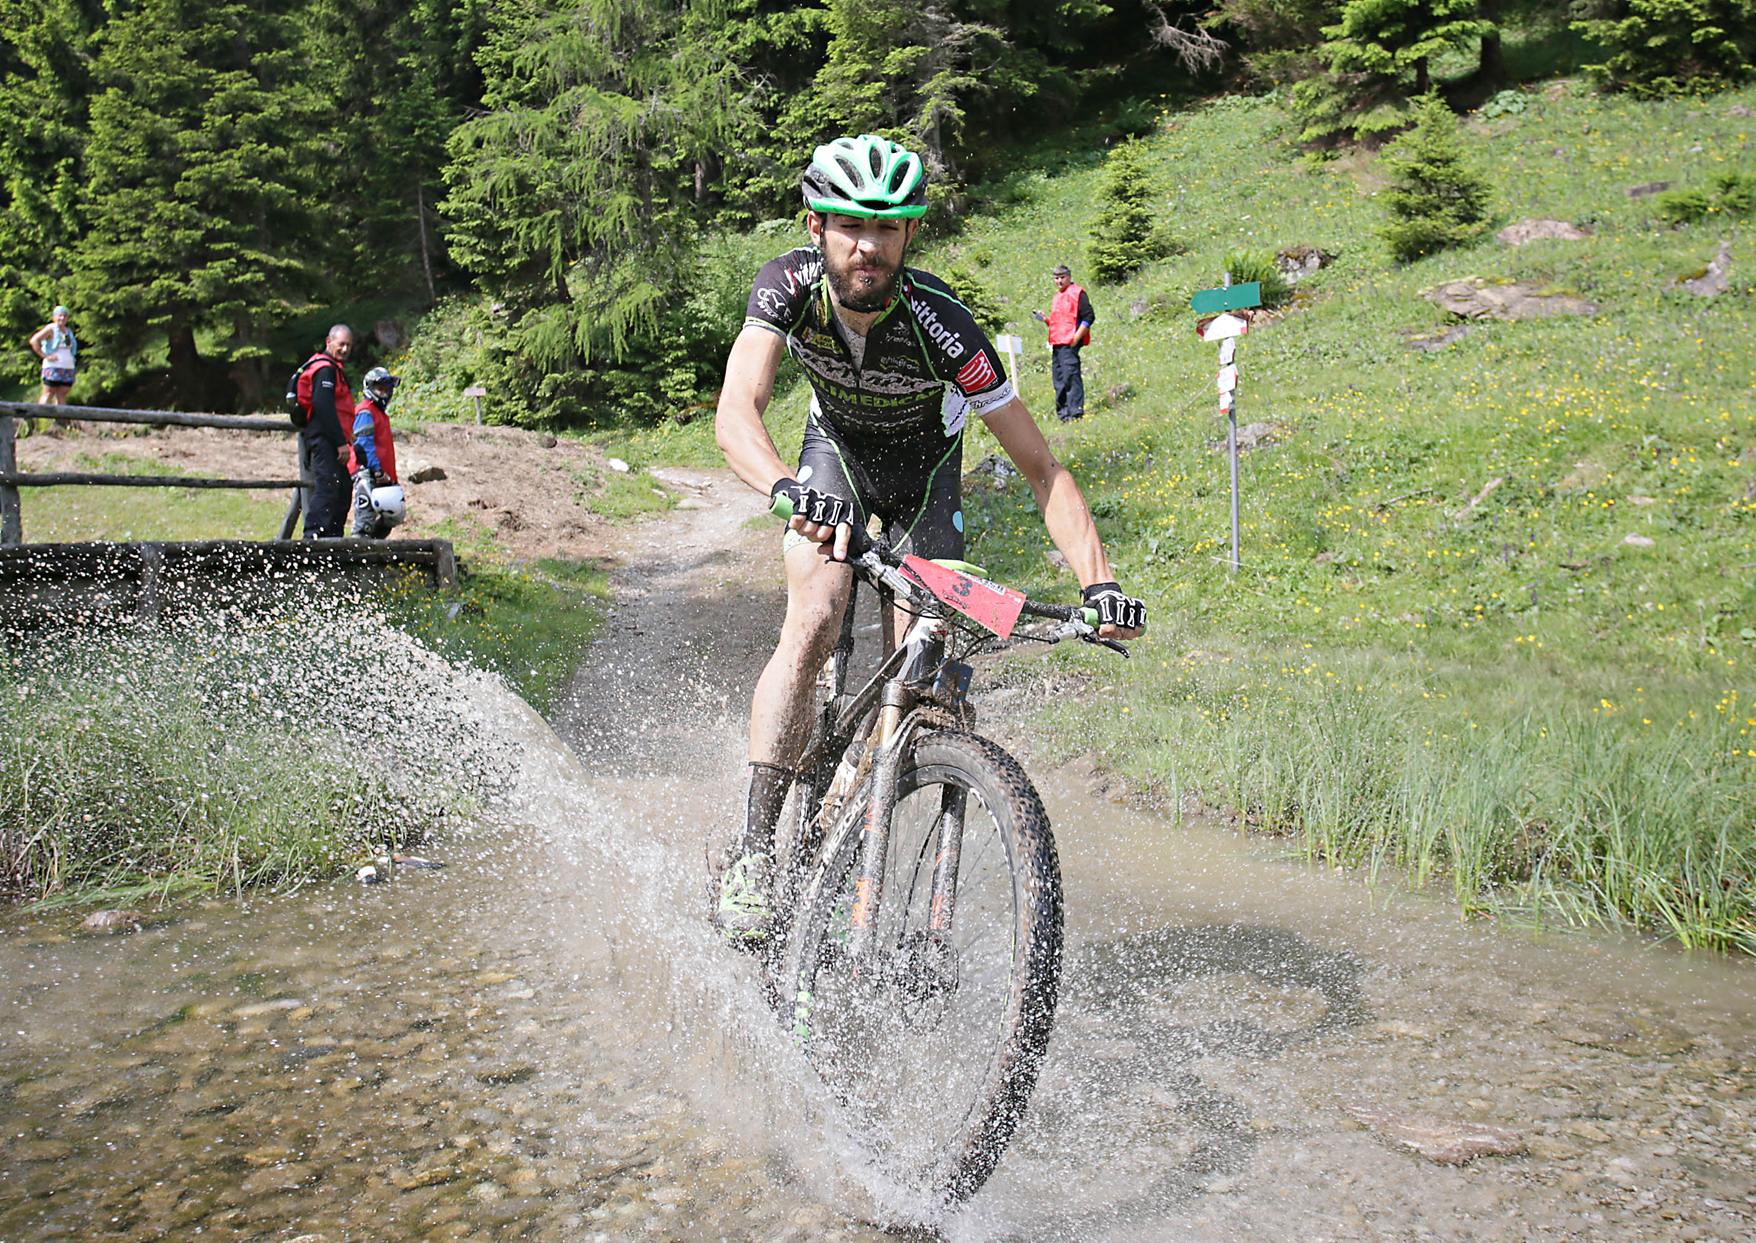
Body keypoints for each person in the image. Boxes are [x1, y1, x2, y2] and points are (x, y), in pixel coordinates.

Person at [711, 134, 1146, 946]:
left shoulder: (946, 325)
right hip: (829, 464)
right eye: (849, 225)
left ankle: (866, 820)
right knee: (814, 611)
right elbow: (738, 409)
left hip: (926, 477)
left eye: (887, 229)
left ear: (912, 236)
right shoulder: (787, 287)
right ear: (816, 225)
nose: (867, 246)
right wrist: (787, 491)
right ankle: (755, 853)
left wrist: (1099, 583)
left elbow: (1042, 465)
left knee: (928, 663)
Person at [290, 325, 356, 539]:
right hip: (324, 438)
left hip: (332, 437)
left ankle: (333, 537)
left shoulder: (331, 367)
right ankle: (313, 539)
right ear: (329, 341)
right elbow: (322, 405)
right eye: (341, 344)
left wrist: (347, 434)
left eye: (348, 345)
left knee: (343, 487)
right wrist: (340, 442)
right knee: (328, 486)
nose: (345, 349)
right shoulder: (325, 369)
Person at [1031, 264, 1094, 422]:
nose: (1059, 281)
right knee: (1058, 379)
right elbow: (1059, 322)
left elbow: (1089, 316)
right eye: (1056, 278)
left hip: (1069, 343)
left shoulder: (1077, 293)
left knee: (1071, 377)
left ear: (1069, 277)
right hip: (1056, 343)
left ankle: (1076, 413)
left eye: (1062, 277)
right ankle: (1064, 415)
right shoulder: (1057, 297)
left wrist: (1077, 337)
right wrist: (1045, 319)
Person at [349, 366, 404, 538]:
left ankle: (372, 552)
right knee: (364, 522)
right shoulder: (365, 411)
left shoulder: (380, 413)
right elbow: (363, 445)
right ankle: (357, 558)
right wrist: (376, 470)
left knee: (393, 515)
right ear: (370, 388)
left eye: (387, 389)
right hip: (367, 472)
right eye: (380, 388)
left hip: (382, 473)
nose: (385, 393)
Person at [28, 305, 78, 405]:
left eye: (65, 316)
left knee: (62, 395)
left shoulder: (68, 331)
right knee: (48, 393)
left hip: (67, 368)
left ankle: (61, 419)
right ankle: (39, 416)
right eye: (60, 315)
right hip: (53, 367)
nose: (62, 318)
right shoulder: (51, 328)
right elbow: (34, 340)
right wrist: (45, 356)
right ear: (54, 317)